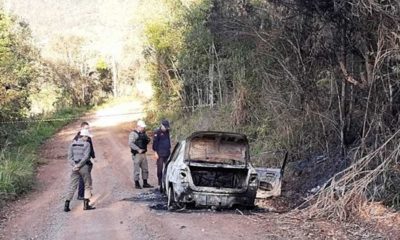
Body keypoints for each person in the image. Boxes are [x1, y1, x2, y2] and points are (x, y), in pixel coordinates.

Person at [64, 129, 96, 212]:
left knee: (72, 186)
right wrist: (79, 165)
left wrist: (74, 165)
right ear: (84, 136)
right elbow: (86, 157)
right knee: (87, 185)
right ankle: (86, 205)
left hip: (74, 167)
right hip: (83, 166)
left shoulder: (72, 144)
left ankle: (66, 205)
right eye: (87, 137)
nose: (88, 138)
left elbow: (69, 157)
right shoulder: (87, 144)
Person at [73, 122, 95, 200]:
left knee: (87, 177)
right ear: (81, 128)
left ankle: (86, 193)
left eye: (88, 128)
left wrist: (93, 157)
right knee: (82, 178)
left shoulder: (88, 136)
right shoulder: (77, 138)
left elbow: (91, 148)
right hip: (81, 161)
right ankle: (81, 195)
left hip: (86, 160)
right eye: (86, 128)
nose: (88, 129)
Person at [128, 120, 153, 189]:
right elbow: (130, 143)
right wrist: (137, 149)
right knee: (137, 169)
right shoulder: (133, 134)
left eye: (143, 127)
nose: (143, 128)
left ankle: (145, 182)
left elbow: (147, 140)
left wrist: (147, 140)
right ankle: (137, 183)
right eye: (142, 127)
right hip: (137, 154)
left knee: (145, 168)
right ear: (138, 126)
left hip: (143, 153)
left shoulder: (144, 133)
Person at [152, 119, 171, 193]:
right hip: (159, 153)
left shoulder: (167, 132)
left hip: (167, 152)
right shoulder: (157, 132)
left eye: (167, 127)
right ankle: (159, 182)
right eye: (165, 127)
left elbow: (168, 141)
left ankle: (166, 181)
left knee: (168, 168)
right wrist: (155, 152)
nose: (166, 128)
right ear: (161, 125)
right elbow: (154, 144)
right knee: (160, 169)